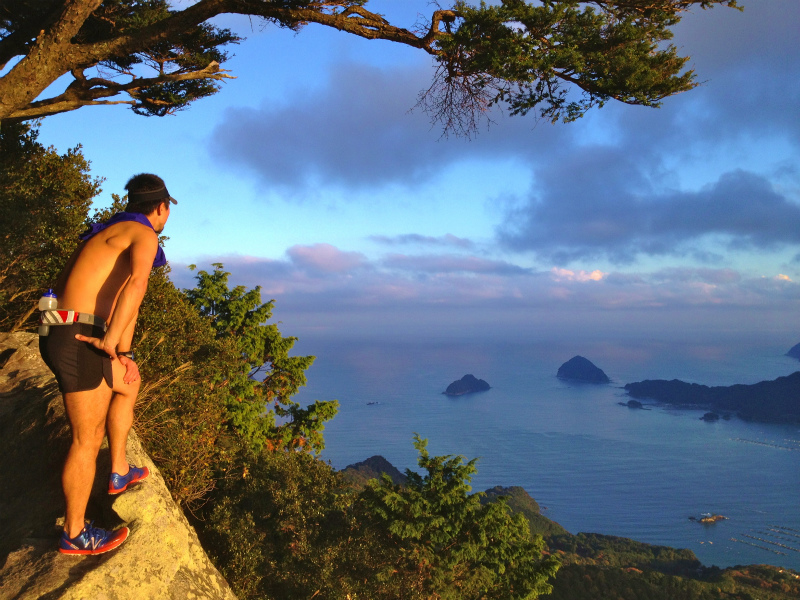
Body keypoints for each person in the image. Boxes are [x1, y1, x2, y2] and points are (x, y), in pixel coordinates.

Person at [39, 173, 176, 555]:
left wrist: (123, 355)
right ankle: (75, 532)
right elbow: (136, 288)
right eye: (168, 209)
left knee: (128, 383)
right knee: (87, 438)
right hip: (78, 336)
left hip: (64, 330)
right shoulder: (145, 235)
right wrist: (110, 341)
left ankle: (118, 471)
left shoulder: (110, 232)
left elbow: (119, 299)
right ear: (162, 207)